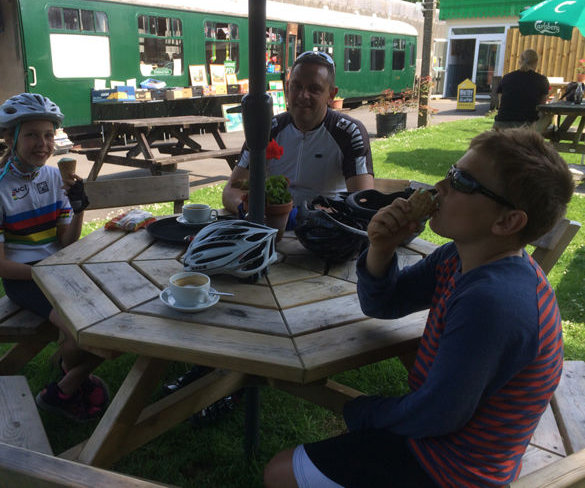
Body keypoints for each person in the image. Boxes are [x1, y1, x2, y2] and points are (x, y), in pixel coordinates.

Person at [264, 127, 573, 488]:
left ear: (506, 221)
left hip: (455, 469)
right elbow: (384, 303)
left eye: (462, 182)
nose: (438, 188)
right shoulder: (458, 257)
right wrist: (382, 248)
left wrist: (363, 410)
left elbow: (437, 415)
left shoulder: (493, 301)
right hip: (442, 436)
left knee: (281, 473)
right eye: (450, 172)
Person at [0, 93, 108, 423]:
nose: (43, 144)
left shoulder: (52, 178)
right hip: (24, 278)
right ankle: (63, 389)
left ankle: (68, 374)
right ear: (9, 137)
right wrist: (44, 274)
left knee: (113, 315)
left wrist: (78, 208)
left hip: (56, 269)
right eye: (32, 135)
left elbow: (65, 242)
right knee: (91, 333)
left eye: (48, 135)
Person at [222, 50, 374, 215]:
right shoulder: (269, 128)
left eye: (314, 89)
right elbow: (231, 190)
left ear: (331, 95)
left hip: (324, 230)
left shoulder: (349, 133)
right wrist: (247, 210)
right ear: (287, 88)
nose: (303, 96)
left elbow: (361, 202)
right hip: (273, 228)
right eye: (296, 86)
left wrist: (303, 217)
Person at [493, 49, 549, 129]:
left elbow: (501, 102)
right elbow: (542, 106)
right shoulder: (541, 80)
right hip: (527, 126)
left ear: (519, 61)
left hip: (501, 124)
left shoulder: (507, 78)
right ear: (536, 62)